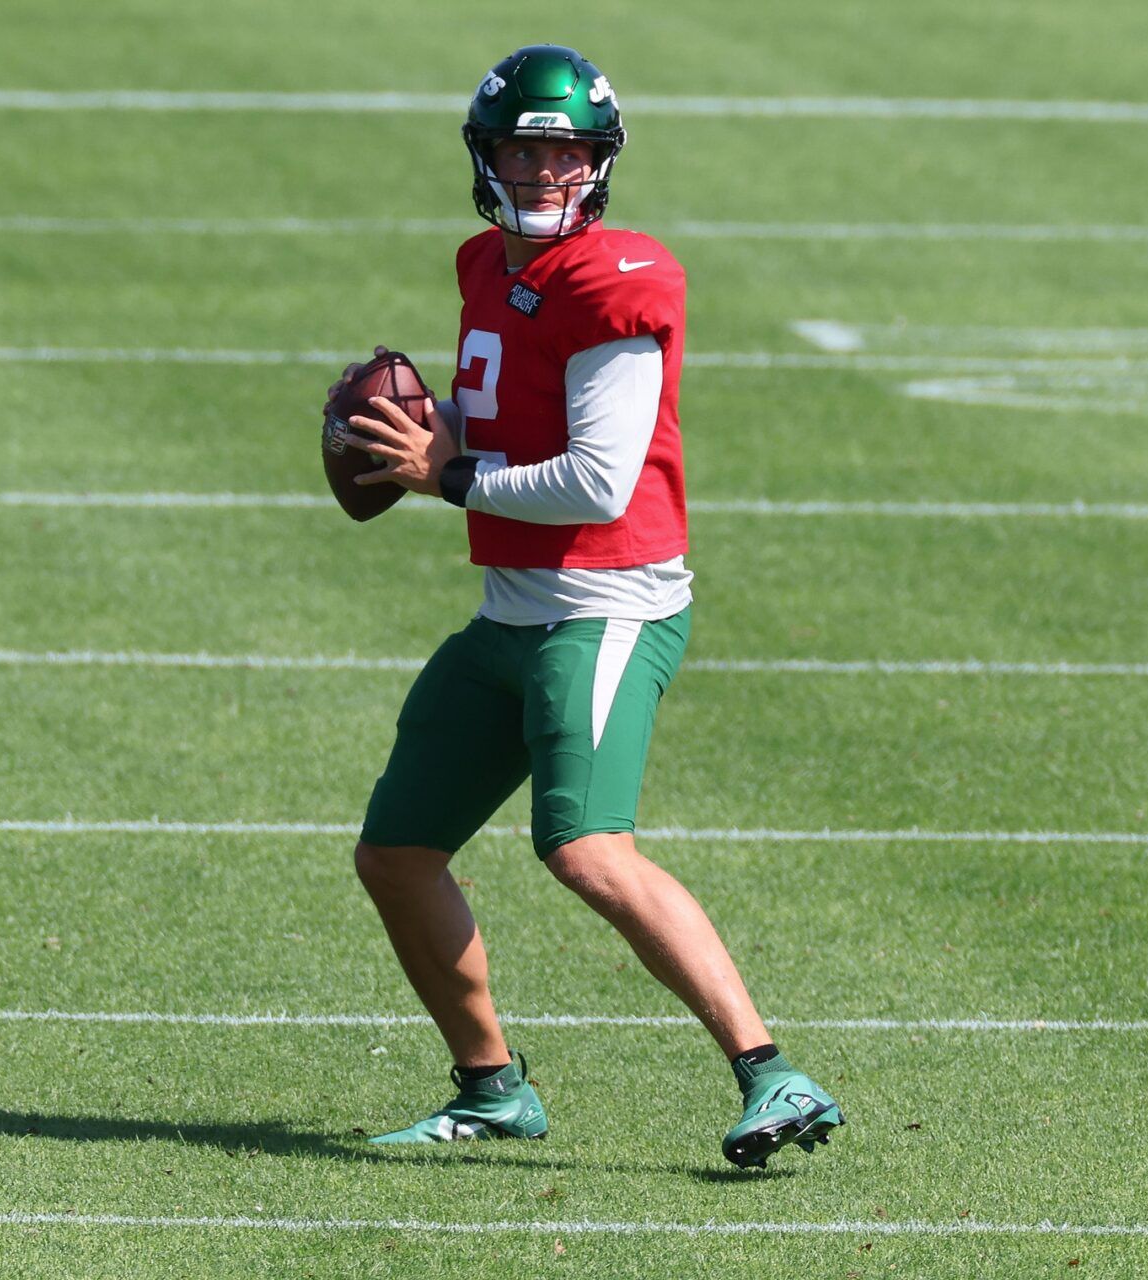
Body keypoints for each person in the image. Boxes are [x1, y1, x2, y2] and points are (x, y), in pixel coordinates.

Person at [324, 43, 843, 1169]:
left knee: (588, 847)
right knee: (398, 848)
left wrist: (444, 476)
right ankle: (490, 1085)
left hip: (607, 607)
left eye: (563, 153)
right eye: (523, 147)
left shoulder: (621, 282)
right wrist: (419, 440)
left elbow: (597, 480)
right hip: (512, 612)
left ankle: (772, 1069)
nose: (542, 171)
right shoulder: (482, 266)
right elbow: (500, 425)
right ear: (486, 155)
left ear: (598, 165)